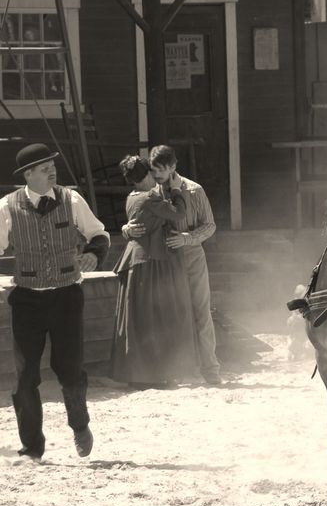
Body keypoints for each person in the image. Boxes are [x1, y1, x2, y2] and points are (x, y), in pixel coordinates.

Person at [1, 143, 109, 459]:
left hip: (66, 297)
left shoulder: (71, 199)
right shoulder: (7, 207)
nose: (53, 171)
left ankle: (79, 425)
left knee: (70, 370)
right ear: (28, 174)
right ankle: (32, 445)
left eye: (53, 166)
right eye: (45, 167)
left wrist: (93, 255)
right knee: (25, 378)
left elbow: (99, 235)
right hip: (27, 301)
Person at [122, 145, 221, 385]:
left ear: (173, 167)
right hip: (162, 262)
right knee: (167, 314)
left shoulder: (194, 190)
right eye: (154, 171)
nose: (157, 176)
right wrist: (126, 229)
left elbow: (210, 225)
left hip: (190, 256)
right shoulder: (150, 190)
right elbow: (136, 221)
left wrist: (187, 238)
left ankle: (210, 368)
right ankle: (174, 370)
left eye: (161, 171)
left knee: (200, 310)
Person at [111, 155, 197, 387]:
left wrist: (126, 230)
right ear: (146, 175)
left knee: (141, 319)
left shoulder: (132, 196)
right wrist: (177, 190)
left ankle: (143, 373)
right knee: (153, 319)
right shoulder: (150, 198)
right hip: (149, 262)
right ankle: (153, 374)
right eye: (153, 172)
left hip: (140, 261)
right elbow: (178, 213)